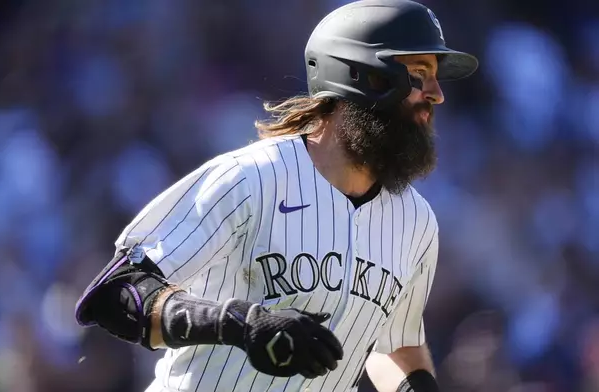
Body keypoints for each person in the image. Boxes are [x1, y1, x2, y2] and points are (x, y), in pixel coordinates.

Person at [74, 0, 478, 391]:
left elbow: (394, 344)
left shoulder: (416, 222)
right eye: (420, 74)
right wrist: (239, 323)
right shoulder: (252, 179)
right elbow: (118, 293)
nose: (437, 93)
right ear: (363, 76)